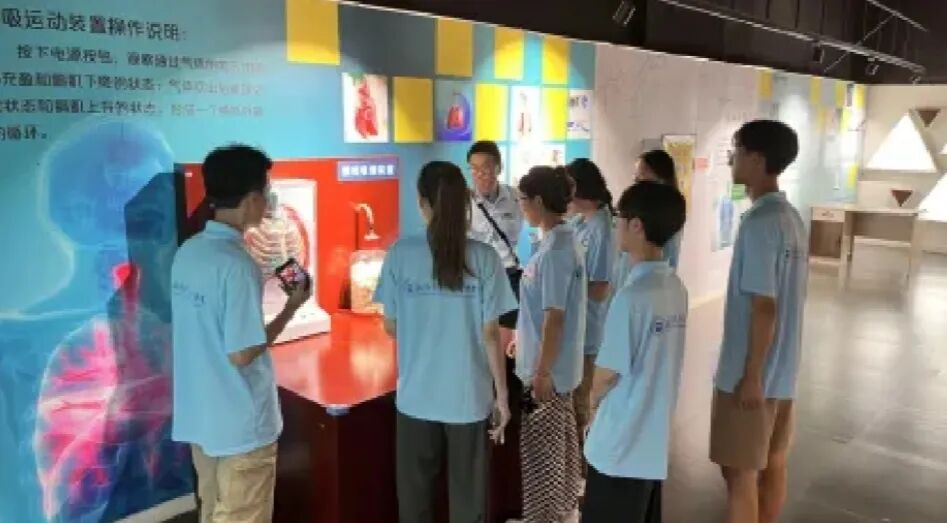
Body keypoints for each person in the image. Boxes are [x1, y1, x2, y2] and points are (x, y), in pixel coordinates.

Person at [171, 145, 311, 523]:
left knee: (213, 508)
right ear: (251, 199)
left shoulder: (188, 252)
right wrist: (291, 307)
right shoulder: (237, 265)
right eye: (265, 192)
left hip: (202, 418)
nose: (268, 201)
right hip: (241, 426)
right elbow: (242, 352)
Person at [374, 161, 516, 523]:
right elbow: (490, 334)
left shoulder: (400, 254)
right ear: (464, 201)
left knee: (415, 502)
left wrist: (424, 328)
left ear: (421, 202)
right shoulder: (485, 258)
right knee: (469, 503)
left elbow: (391, 325)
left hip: (416, 397)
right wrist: (501, 397)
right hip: (468, 400)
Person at [711, 120, 807, 523]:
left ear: (756, 158)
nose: (731, 159)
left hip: (750, 376)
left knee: (740, 474)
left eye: (735, 151)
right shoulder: (791, 218)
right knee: (773, 461)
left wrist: (751, 375)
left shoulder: (759, 224)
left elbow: (764, 306)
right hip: (782, 372)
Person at [581, 182, 688, 523]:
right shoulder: (675, 287)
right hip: (650, 442)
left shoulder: (632, 297)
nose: (615, 224)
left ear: (637, 225)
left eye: (619, 217)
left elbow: (606, 374)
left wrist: (590, 404)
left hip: (618, 446)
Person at [513, 166, 586, 523]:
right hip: (553, 364)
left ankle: (545, 517)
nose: (521, 207)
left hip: (549, 372)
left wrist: (541, 371)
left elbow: (554, 316)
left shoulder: (556, 250)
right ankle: (562, 512)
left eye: (523, 200)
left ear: (539, 202)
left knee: (543, 453)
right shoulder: (558, 241)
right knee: (560, 443)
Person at [566, 158, 615, 443]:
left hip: (590, 331)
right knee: (573, 398)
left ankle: (584, 461)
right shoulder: (579, 222)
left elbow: (600, 288)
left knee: (582, 401)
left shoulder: (601, 228)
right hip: (575, 328)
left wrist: (564, 290)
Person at [467, 140, 524, 332]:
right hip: (478, 278)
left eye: (485, 168)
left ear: (499, 168)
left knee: (509, 333)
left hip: (509, 275)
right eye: (474, 169)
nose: (480, 174)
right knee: (479, 333)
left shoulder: (516, 198)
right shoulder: (463, 202)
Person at [634, 150, 683, 270]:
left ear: (660, 177)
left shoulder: (667, 211)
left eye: (642, 174)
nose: (636, 180)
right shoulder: (642, 207)